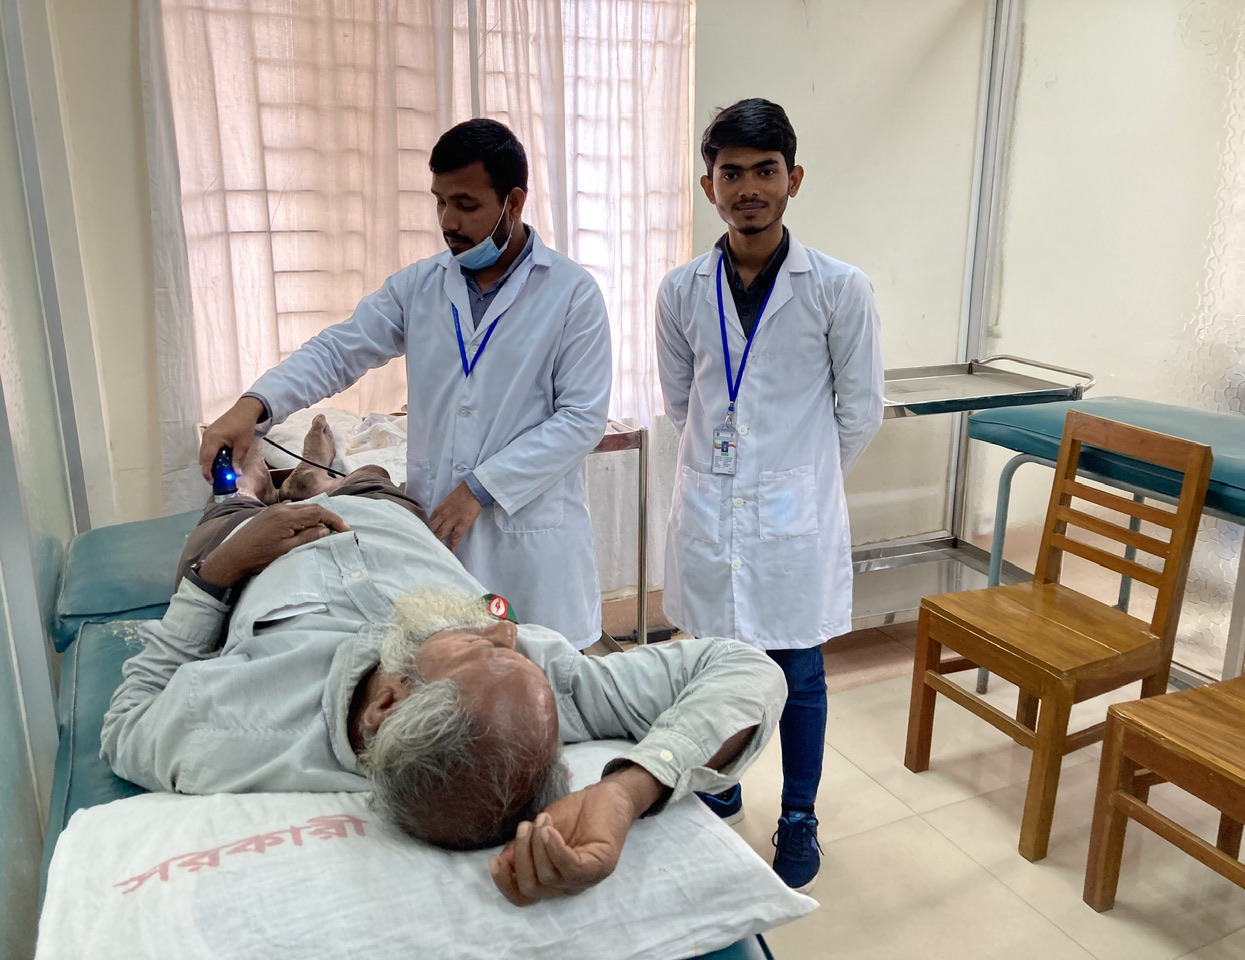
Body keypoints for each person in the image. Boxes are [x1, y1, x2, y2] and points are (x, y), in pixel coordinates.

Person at [101, 419, 786, 906]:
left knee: (235, 491)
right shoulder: (537, 682)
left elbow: (126, 720)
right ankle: (319, 472)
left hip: (249, 551)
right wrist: (628, 790)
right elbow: (745, 669)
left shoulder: (233, 729)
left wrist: (220, 572)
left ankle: (264, 486)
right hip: (389, 517)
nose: (504, 632)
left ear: (388, 702)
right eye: (494, 644)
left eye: (477, 648)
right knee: (367, 480)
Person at [197, 118, 612, 650]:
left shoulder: (572, 294)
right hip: (438, 541)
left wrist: (479, 489)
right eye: (440, 202)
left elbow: (580, 420)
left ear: (513, 202)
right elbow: (337, 351)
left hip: (530, 545)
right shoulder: (420, 286)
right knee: (449, 676)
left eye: (466, 204)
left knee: (544, 677)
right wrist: (253, 406)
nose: (448, 221)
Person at [654, 98, 884, 893]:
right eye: (731, 173)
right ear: (708, 187)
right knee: (716, 662)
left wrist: (798, 478)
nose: (748, 188)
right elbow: (682, 402)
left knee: (799, 672)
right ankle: (721, 782)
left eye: (765, 171)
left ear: (794, 179)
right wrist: (737, 478)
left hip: (795, 518)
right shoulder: (680, 291)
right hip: (712, 508)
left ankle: (798, 815)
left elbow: (860, 411)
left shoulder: (839, 288)